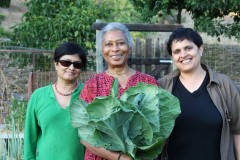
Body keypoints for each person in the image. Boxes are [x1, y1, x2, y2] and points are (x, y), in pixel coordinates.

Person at [79, 22, 159, 160]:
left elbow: (160, 128)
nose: (115, 49)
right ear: (102, 50)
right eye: (108, 44)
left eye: (121, 43)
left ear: (129, 47)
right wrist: (119, 157)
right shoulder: (92, 85)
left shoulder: (148, 83)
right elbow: (83, 135)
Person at [158, 28, 240, 160]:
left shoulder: (224, 85)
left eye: (188, 48)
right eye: (177, 51)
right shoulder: (162, 87)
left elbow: (238, 130)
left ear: (200, 49)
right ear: (172, 57)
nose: (183, 54)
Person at [24, 42, 87, 160]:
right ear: (56, 64)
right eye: (66, 63)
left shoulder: (89, 94)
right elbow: (29, 137)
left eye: (77, 64)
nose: (71, 68)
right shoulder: (38, 96)